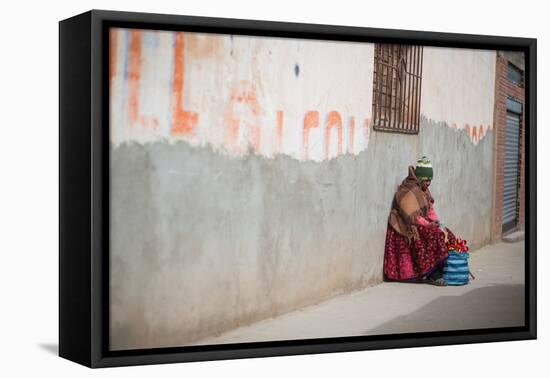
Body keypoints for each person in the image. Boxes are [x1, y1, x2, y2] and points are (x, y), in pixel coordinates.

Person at [383, 156, 456, 286]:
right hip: (406, 226)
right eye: (427, 180)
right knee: (433, 235)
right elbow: (413, 217)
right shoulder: (408, 190)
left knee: (445, 232)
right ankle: (432, 274)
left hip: (420, 222)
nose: (429, 183)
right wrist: (429, 225)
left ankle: (440, 269)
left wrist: (438, 223)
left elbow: (430, 210)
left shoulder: (423, 190)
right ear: (420, 178)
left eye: (430, 180)